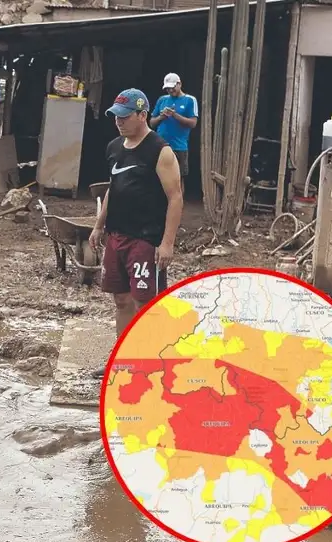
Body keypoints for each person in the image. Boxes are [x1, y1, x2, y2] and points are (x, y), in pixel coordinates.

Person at [89, 88, 184, 378]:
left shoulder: (160, 150)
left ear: (143, 115)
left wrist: (167, 243)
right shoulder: (114, 147)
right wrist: (98, 224)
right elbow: (112, 189)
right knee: (121, 299)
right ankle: (123, 359)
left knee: (146, 302)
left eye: (125, 116)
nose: (119, 122)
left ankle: (150, 364)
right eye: (115, 116)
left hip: (146, 237)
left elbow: (176, 196)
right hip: (117, 235)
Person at [149, 73, 199, 190]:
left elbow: (193, 123)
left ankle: (178, 205)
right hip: (160, 145)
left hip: (179, 146)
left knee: (178, 178)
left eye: (172, 87)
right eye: (167, 88)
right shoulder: (162, 100)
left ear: (179, 84)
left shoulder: (190, 100)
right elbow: (152, 123)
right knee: (157, 175)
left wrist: (174, 115)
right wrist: (162, 117)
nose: (170, 90)